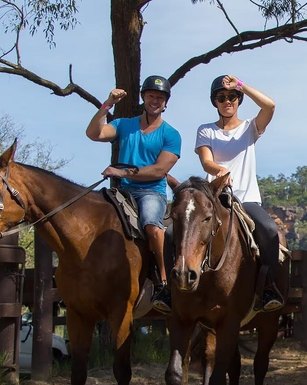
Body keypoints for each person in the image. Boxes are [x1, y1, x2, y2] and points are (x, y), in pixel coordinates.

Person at [86, 75, 181, 314]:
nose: (155, 100)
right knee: (90, 218)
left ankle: (163, 282)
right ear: (143, 98)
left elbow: (160, 170)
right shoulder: (123, 125)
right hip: (121, 190)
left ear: (165, 102)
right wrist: (107, 104)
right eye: (151, 96)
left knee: (151, 223)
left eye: (160, 97)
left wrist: (121, 170)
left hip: (151, 192)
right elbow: (93, 134)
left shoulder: (171, 134)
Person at [194, 74, 283, 313]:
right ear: (215, 102)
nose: (227, 101)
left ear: (238, 99)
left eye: (232, 96)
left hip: (246, 199)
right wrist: (219, 170)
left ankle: (268, 288)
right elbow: (206, 161)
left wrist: (241, 85)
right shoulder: (206, 131)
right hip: (215, 199)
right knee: (178, 230)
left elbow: (270, 105)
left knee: (269, 230)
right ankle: (177, 287)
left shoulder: (250, 128)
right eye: (221, 97)